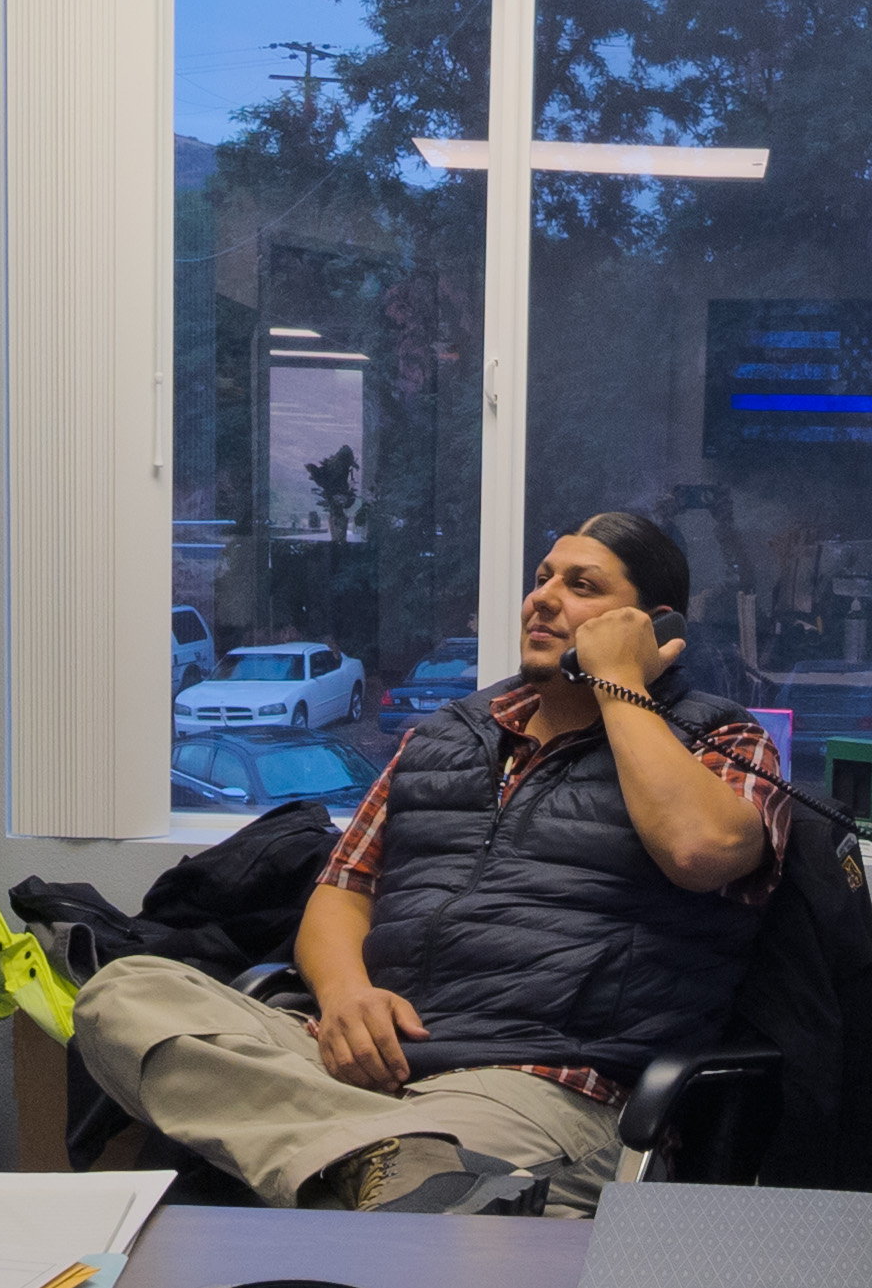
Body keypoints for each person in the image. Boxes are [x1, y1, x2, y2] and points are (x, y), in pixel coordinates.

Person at [63, 511, 786, 1215]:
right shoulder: (445, 737)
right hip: (365, 1061)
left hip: (536, 1082)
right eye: (542, 577)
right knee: (123, 993)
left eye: (583, 585)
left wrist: (623, 688)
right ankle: (394, 1163)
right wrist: (345, 996)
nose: (543, 596)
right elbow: (342, 889)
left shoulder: (717, 737)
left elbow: (701, 851)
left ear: (655, 627)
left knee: (414, 1188)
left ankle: (399, 1170)